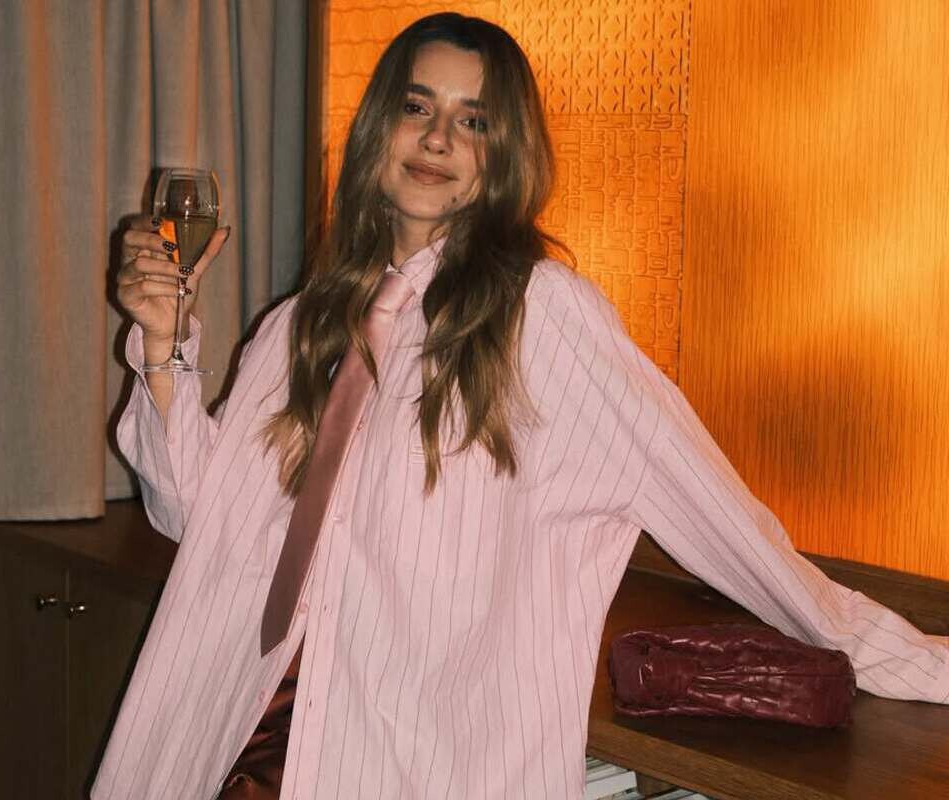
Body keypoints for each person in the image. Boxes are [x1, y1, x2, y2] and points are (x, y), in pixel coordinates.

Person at [93, 12, 949, 800]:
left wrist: (902, 658)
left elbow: (718, 514)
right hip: (232, 738)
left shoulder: (545, 319)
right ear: (378, 128)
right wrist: (164, 346)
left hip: (408, 765)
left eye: (473, 121)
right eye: (417, 107)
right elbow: (198, 518)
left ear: (504, 156)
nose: (437, 138)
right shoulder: (301, 324)